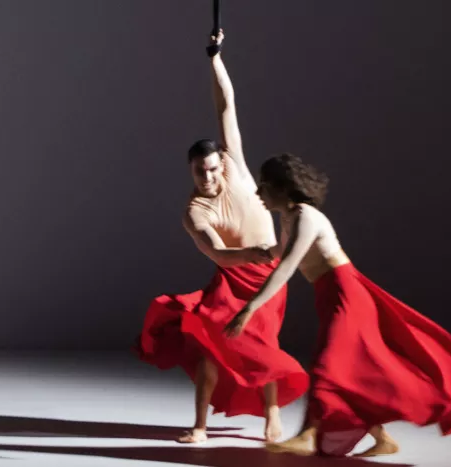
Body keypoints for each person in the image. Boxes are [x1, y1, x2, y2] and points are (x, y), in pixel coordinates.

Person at [223, 153, 451, 457]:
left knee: (328, 363)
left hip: (346, 293)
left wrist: (249, 307)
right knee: (352, 368)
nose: (258, 192)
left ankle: (308, 434)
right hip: (328, 294)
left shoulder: (307, 216)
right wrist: (245, 252)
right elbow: (278, 253)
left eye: (264, 186)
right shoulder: (289, 218)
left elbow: (287, 267)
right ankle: (383, 439)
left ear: (282, 188)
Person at [133, 29, 308, 445]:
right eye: (201, 171)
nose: (210, 176)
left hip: (268, 278)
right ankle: (199, 426)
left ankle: (272, 418)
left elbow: (225, 105)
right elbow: (219, 254)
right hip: (233, 279)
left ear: (221, 163)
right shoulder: (194, 211)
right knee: (212, 349)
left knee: (264, 345)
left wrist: (215, 58)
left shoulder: (235, 165)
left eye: (213, 168)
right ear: (190, 171)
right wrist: (259, 250)